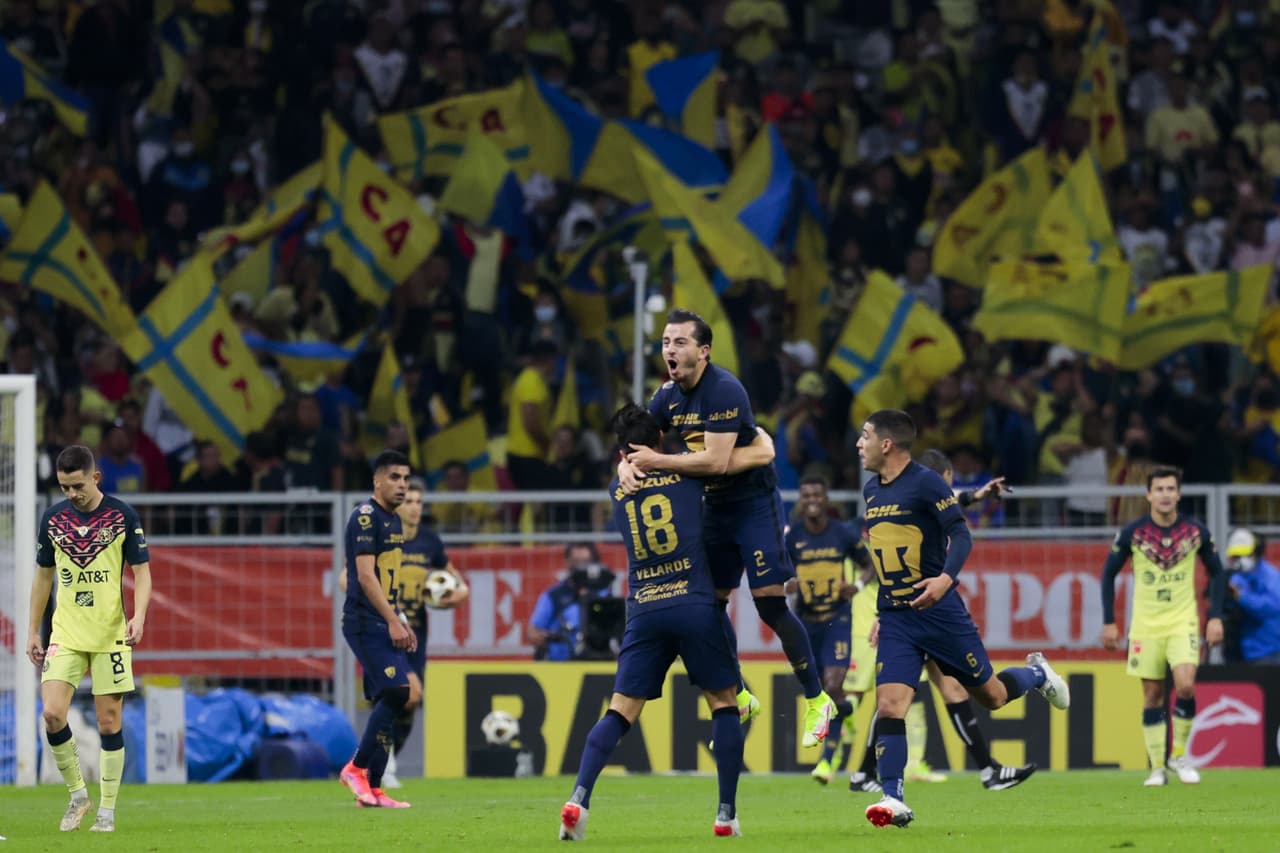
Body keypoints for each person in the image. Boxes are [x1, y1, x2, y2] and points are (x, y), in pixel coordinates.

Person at [621, 309, 836, 748]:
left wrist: (657, 461)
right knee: (708, 608)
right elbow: (640, 442)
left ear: (703, 351)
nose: (669, 350)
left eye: (679, 342)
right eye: (665, 341)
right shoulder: (667, 398)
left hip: (753, 506)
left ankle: (817, 700)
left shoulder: (723, 389)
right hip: (715, 507)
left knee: (769, 606)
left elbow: (715, 462)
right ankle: (738, 694)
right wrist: (625, 465)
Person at [856, 410, 1068, 828]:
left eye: (864, 436)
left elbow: (961, 532)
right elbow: (887, 554)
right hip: (897, 617)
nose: (858, 444)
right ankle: (893, 797)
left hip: (940, 613)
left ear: (887, 444)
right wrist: (884, 609)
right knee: (890, 705)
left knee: (991, 697)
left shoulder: (926, 481)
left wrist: (944, 580)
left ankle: (1038, 675)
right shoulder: (870, 491)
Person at [559, 404, 750, 841]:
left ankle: (579, 798)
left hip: (644, 607)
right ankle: (725, 815)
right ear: (659, 440)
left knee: (620, 709)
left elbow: (632, 469)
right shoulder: (688, 474)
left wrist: (627, 465)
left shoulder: (617, 487)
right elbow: (718, 463)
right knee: (724, 702)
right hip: (694, 602)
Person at [850, 448, 1033, 792]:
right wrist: (884, 612)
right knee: (895, 700)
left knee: (958, 692)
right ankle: (868, 774)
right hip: (911, 610)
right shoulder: (899, 493)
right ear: (941, 478)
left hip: (929, 607)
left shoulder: (913, 493)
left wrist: (976, 495)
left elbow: (947, 506)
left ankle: (987, 769)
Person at [27, 445, 153, 833]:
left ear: (95, 477)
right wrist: (34, 628)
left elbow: (143, 573)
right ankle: (79, 795)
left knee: (109, 721)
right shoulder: (52, 520)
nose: (71, 494)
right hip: (65, 632)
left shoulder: (122, 516)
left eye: (77, 485)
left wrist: (139, 615)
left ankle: (107, 811)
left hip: (110, 633)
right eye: (64, 487)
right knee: (51, 713)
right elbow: (43, 577)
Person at [1100, 466, 1226, 787]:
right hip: (1145, 625)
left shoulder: (1196, 532)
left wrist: (1215, 616)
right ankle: (1157, 767)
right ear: (1148, 494)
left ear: (1179, 494)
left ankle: (1179, 755)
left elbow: (1218, 572)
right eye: (1159, 489)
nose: (1165, 495)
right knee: (1152, 693)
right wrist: (1108, 621)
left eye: (1171, 489)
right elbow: (1107, 574)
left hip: (1182, 621)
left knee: (1185, 685)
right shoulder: (1132, 533)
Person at [784, 474, 875, 786]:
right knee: (821, 691)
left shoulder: (842, 534)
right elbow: (776, 574)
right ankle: (847, 710)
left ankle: (826, 762)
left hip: (837, 620)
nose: (811, 500)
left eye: (816, 495)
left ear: (825, 500)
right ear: (800, 500)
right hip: (805, 622)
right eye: (806, 495)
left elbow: (869, 564)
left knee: (834, 685)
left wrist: (858, 586)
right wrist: (788, 584)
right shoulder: (792, 537)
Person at [338, 449, 416, 809]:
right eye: (395, 478)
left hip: (383, 619)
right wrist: (390, 620)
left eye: (406, 478)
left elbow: (389, 580)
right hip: (364, 621)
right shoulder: (366, 518)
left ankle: (374, 788)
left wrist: (401, 619)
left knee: (385, 699)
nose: (402, 485)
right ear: (377, 481)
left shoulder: (394, 520)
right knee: (399, 693)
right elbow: (366, 577)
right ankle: (355, 769)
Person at [387, 478, 469, 786]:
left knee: (411, 700)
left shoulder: (430, 543)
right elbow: (347, 578)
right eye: (409, 501)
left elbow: (460, 587)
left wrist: (450, 598)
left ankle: (383, 759)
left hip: (416, 636)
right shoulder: (385, 537)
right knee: (405, 693)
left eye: (420, 502)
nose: (415, 508)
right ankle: (384, 764)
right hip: (387, 629)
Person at [528, 543, 614, 661]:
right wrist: (549, 636)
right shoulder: (554, 595)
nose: (581, 567)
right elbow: (532, 633)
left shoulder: (605, 595)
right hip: (561, 665)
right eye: (576, 562)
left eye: (586, 562)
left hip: (598, 662)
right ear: (567, 562)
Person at [1222, 529, 1280, 664]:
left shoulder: (1270, 576)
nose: (1238, 560)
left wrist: (1242, 597)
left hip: (1268, 650)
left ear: (1254, 554)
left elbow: (1273, 607)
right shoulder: (1235, 577)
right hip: (1241, 650)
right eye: (1235, 556)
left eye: (1242, 555)